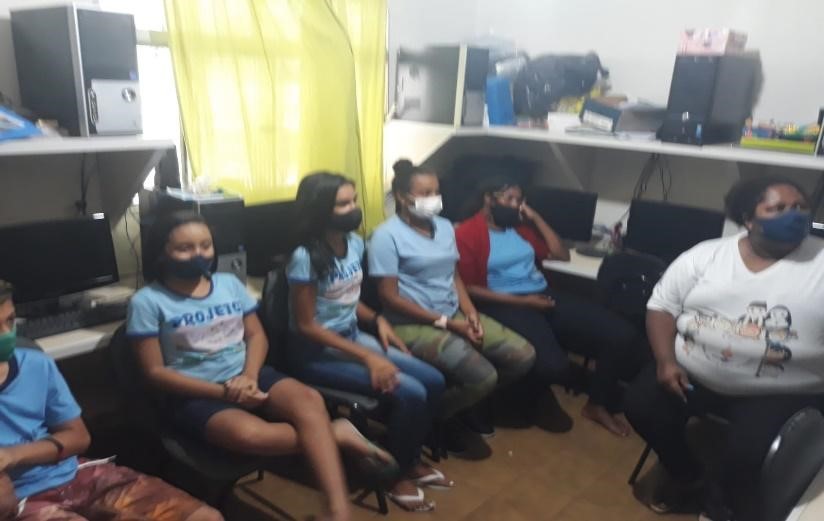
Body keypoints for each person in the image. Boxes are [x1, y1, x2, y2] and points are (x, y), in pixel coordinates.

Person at [127, 212, 393, 521]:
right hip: (196, 393)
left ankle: (338, 512)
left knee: (310, 401)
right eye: (185, 248)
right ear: (162, 252)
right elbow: (155, 373)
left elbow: (256, 336)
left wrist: (249, 377)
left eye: (205, 245)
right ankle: (335, 432)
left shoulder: (229, 284)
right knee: (250, 436)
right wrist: (225, 392)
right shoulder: (147, 302)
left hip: (249, 373)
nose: (198, 254)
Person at [623, 176, 824, 521]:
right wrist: (666, 361)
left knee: (749, 456)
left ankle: (720, 502)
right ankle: (688, 475)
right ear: (749, 219)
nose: (793, 215)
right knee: (641, 405)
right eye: (778, 208)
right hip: (692, 373)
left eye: (800, 207)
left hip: (779, 391)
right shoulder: (706, 255)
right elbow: (661, 307)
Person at [285, 172, 450, 512]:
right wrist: (367, 357)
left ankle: (408, 458)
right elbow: (306, 325)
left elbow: (347, 297)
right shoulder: (305, 256)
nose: (353, 209)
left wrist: (377, 320)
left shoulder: (355, 243)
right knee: (412, 392)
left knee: (434, 381)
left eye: (354, 200)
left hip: (350, 336)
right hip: (316, 351)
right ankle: (394, 474)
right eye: (343, 204)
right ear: (320, 210)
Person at [0, 279, 223, 521]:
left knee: (205, 518)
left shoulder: (35, 365)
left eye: (10, 321)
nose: (6, 334)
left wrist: (14, 455)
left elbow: (78, 437)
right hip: (24, 498)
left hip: (74, 474)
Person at [455, 177, 643, 436]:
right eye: (509, 199)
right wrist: (524, 302)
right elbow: (469, 288)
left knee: (622, 334)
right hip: (503, 302)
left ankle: (597, 405)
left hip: (541, 294)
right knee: (554, 367)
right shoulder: (466, 233)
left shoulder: (518, 228)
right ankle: (524, 395)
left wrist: (535, 217)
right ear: (489, 198)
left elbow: (560, 253)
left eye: (520, 200)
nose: (516, 205)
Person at [369, 159, 536, 442]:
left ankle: (463, 405)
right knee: (484, 377)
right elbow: (389, 297)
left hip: (452, 313)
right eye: (425, 193)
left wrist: (470, 312)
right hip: (410, 323)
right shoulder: (386, 236)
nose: (433, 198)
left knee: (523, 356)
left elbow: (454, 275)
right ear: (402, 197)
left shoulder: (445, 227)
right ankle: (428, 420)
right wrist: (447, 323)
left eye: (436, 192)